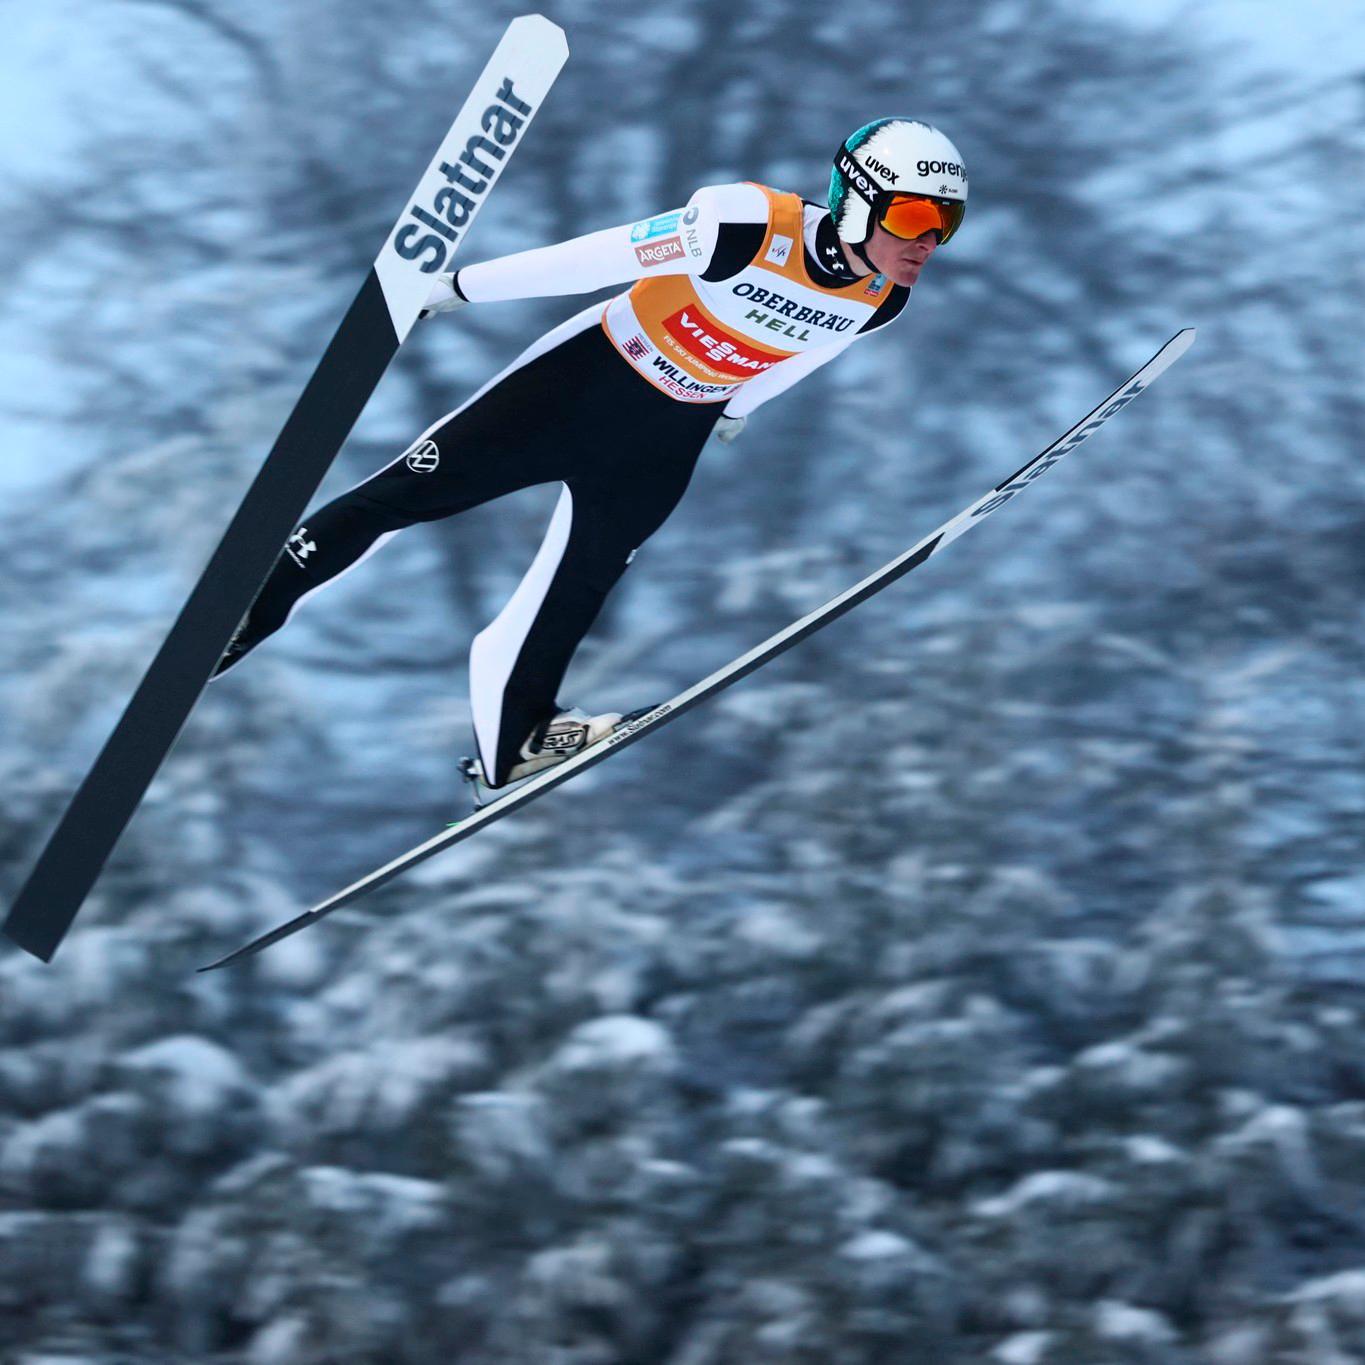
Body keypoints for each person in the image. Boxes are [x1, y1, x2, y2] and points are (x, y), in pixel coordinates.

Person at [212, 118, 968, 798]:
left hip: (670, 435)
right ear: (856, 200)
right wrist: (461, 288)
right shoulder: (741, 223)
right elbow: (594, 258)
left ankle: (513, 739)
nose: (926, 241)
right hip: (579, 385)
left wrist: (739, 409)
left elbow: (812, 348)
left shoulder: (882, 298)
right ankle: (253, 604)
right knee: (405, 495)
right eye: (912, 216)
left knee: (581, 582)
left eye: (946, 225)